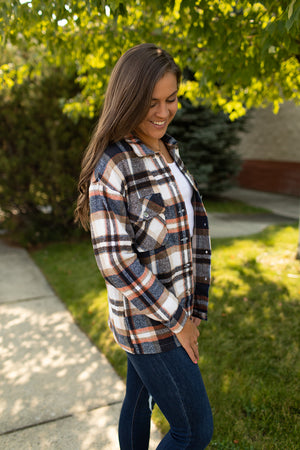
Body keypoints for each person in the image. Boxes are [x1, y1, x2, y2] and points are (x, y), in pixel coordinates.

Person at [75, 43, 213, 449]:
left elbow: (189, 232)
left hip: (177, 309)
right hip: (150, 323)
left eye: (171, 99)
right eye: (150, 102)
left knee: (137, 403)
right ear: (128, 100)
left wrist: (194, 308)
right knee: (193, 431)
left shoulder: (170, 150)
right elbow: (116, 261)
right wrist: (180, 322)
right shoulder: (114, 165)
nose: (162, 111)